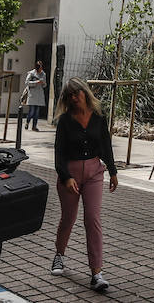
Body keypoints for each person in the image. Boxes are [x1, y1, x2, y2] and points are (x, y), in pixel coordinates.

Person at [51, 78, 117, 290]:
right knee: (68, 219)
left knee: (92, 220)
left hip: (94, 173)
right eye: (69, 95)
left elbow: (106, 145)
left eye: (77, 93)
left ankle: (97, 274)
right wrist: (65, 176)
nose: (74, 97)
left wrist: (113, 171)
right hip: (69, 174)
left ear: (85, 92)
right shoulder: (65, 121)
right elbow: (59, 153)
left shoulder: (98, 117)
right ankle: (59, 255)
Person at [24, 61, 48, 132]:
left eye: (41, 67)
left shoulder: (43, 74)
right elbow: (27, 82)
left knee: (37, 113)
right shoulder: (31, 73)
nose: (41, 68)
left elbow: (45, 85)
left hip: (39, 95)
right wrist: (36, 82)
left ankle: (34, 126)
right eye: (40, 67)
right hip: (32, 95)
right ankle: (27, 122)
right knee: (32, 111)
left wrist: (43, 83)